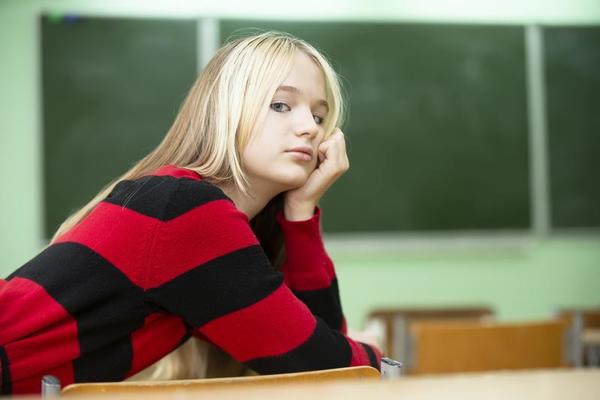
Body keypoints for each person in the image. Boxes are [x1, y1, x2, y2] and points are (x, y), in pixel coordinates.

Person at [0, 31, 381, 395]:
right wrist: (375, 356)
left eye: (319, 116)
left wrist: (301, 210)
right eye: (281, 105)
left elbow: (324, 366)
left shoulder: (221, 228)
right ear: (225, 112)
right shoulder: (186, 210)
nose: (309, 129)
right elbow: (328, 366)